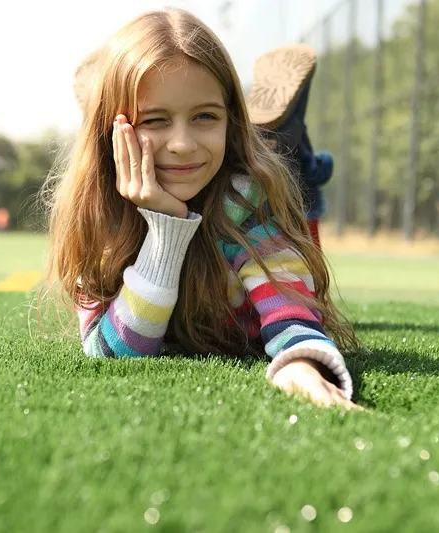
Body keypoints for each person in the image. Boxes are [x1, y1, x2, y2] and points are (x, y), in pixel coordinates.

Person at [45, 8, 361, 410]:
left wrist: (298, 361)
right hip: (220, 154)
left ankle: (285, 131)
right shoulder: (98, 214)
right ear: (110, 131)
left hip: (250, 163)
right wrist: (167, 226)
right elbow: (112, 353)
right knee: (273, 157)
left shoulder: (244, 202)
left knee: (289, 170)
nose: (182, 143)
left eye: (205, 115)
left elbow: (289, 302)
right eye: (155, 120)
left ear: (229, 118)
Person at [247, 45, 333, 248]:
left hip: (263, 210)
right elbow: (315, 172)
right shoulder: (294, 131)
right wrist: (325, 163)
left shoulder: (252, 134)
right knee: (306, 263)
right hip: (300, 207)